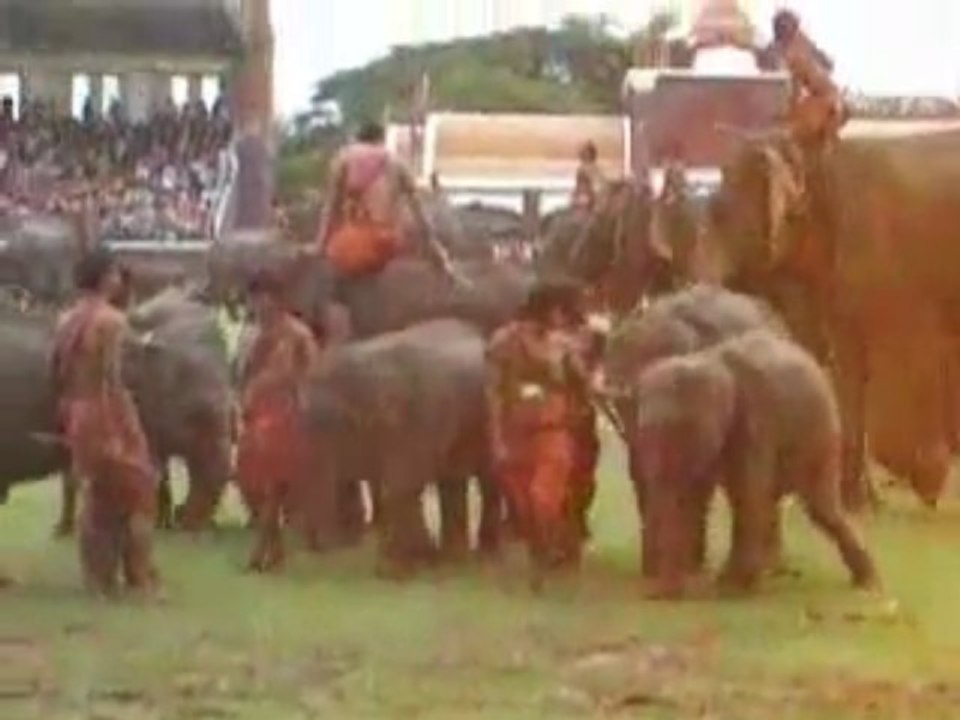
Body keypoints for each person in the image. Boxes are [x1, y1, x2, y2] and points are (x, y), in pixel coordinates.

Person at [51, 249, 159, 598]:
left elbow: (57, 371)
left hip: (77, 410)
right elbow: (111, 378)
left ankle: (97, 581)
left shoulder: (65, 319)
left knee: (98, 497)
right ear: (104, 278)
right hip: (107, 411)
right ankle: (139, 579)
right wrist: (118, 426)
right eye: (114, 273)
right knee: (140, 493)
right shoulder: (111, 321)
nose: (118, 280)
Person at [485, 280, 598, 586]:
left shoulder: (563, 345)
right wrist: (497, 439)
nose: (565, 318)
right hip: (515, 431)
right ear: (549, 310)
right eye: (562, 311)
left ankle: (552, 549)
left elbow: (583, 385)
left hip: (554, 430)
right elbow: (493, 394)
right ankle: (542, 554)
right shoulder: (503, 343)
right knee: (523, 503)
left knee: (543, 496)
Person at [236, 269, 320, 572]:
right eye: (253, 298)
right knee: (252, 485)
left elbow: (307, 375)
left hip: (285, 415)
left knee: (272, 487)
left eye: (263, 298)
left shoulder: (297, 334)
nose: (258, 305)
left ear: (278, 299)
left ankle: (261, 553)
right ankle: (276, 549)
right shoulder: (253, 335)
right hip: (256, 414)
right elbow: (244, 374)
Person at [315, 121, 455, 279]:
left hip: (352, 247)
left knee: (334, 257)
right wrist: (437, 253)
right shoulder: (398, 163)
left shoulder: (343, 159)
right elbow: (420, 215)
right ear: (381, 140)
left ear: (357, 139)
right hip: (387, 242)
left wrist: (319, 247)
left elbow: (330, 209)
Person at [771, 10, 848, 152]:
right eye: (782, 27)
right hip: (826, 98)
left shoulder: (794, 48)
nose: (784, 30)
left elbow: (796, 82)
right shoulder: (798, 44)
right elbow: (828, 64)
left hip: (824, 99)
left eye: (786, 26)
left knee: (794, 131)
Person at [571, 141, 607, 212]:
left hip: (598, 191)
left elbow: (602, 180)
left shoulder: (597, 167)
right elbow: (580, 183)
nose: (587, 155)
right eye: (585, 153)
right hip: (589, 193)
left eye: (589, 153)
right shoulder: (581, 168)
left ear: (592, 154)